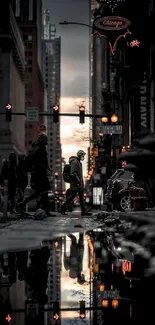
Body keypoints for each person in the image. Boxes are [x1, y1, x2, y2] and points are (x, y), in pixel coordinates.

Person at [17, 134, 55, 216]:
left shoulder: (39, 149)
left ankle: (45, 210)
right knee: (42, 191)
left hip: (39, 173)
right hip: (39, 174)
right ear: (42, 140)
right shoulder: (39, 149)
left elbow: (44, 162)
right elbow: (39, 162)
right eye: (45, 139)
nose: (47, 141)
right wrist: (46, 169)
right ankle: (22, 204)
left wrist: (48, 169)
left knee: (42, 192)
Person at [60, 150, 91, 216]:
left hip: (77, 182)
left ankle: (62, 208)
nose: (83, 157)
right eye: (82, 156)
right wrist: (78, 182)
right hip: (75, 183)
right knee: (78, 196)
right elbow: (73, 173)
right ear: (79, 155)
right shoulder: (75, 162)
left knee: (75, 196)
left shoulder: (78, 162)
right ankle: (62, 208)